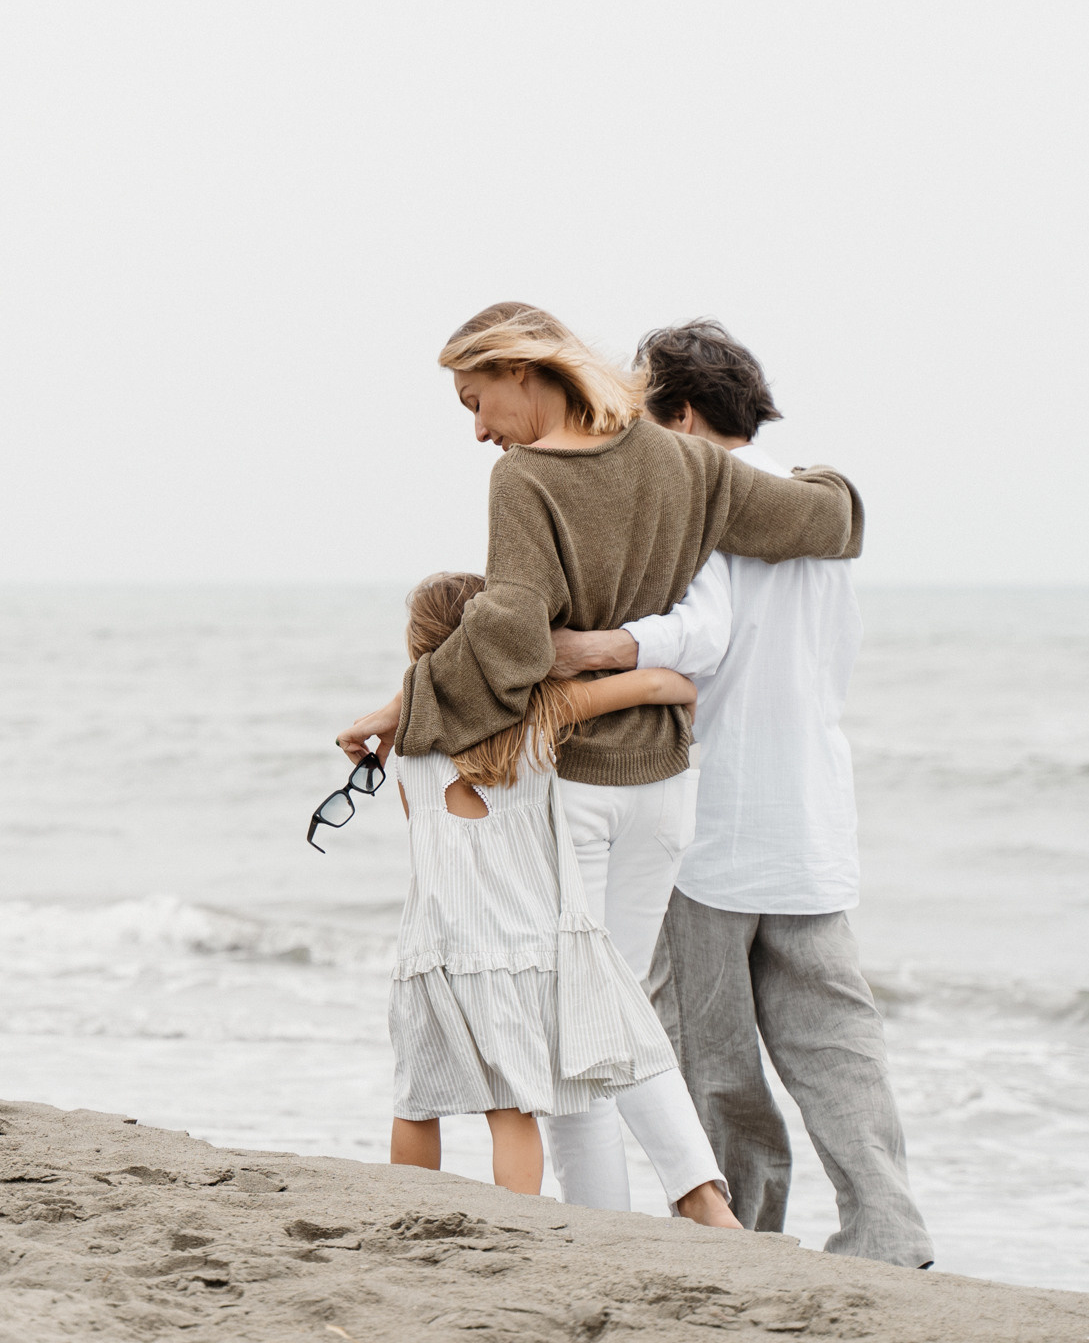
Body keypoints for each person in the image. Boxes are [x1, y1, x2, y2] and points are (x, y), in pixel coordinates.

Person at [338, 301, 865, 1222]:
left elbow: (509, 635)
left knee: (580, 1021)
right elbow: (828, 524)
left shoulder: (527, 482)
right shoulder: (691, 463)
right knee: (605, 1000)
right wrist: (834, 483)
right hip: (666, 786)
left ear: (522, 370)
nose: (477, 430)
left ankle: (646, 1215)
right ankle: (684, 1206)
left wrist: (400, 709)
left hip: (575, 784)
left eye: (476, 400)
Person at [547, 319, 933, 1266]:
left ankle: (741, 1242)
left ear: (676, 411)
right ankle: (888, 1233)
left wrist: (593, 651)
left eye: (641, 407)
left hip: (705, 823)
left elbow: (700, 640)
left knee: (712, 1062)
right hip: (809, 825)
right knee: (839, 1050)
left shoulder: (694, 516)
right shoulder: (820, 521)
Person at [386, 570, 695, 1196]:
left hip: (431, 950)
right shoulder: (539, 718)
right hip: (517, 949)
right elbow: (668, 683)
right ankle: (517, 1225)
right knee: (511, 1107)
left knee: (416, 1097)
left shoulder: (405, 750)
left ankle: (404, 1213)